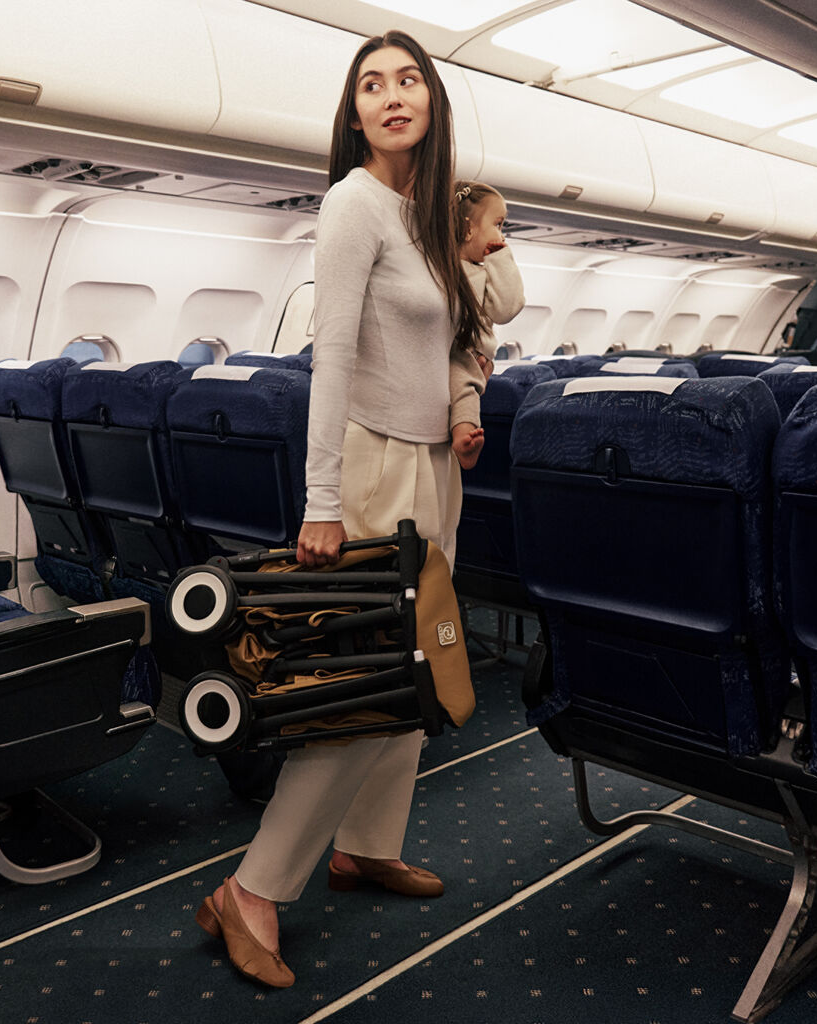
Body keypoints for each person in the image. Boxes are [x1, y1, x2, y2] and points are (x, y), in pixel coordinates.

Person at [193, 29, 483, 990]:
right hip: (370, 468)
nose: (392, 95)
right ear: (353, 111)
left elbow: (450, 343)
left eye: (408, 80)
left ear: (431, 102)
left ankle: (365, 845)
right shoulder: (352, 206)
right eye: (372, 84)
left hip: (434, 467)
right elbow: (333, 361)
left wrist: (459, 403)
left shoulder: (427, 214)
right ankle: (255, 888)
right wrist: (322, 500)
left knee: (417, 674)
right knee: (358, 692)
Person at [446, 181, 525, 470]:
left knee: (465, 384)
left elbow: (507, 308)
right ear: (468, 228)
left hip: (469, 356)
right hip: (445, 350)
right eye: (498, 224)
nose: (501, 234)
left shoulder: (485, 273)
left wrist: (501, 259)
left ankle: (463, 438)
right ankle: (463, 436)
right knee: (463, 383)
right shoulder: (441, 268)